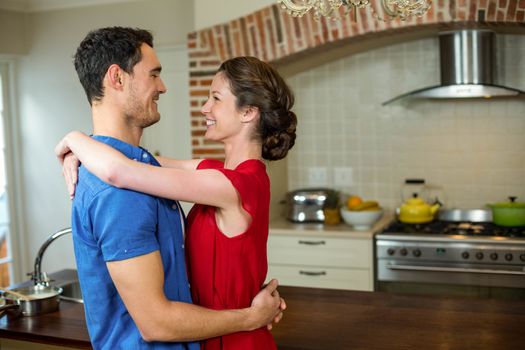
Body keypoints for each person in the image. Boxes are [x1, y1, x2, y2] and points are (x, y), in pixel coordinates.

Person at [57, 27, 285, 350]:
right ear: (117, 78)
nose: (163, 87)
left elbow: (123, 169)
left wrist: (74, 141)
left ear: (249, 113)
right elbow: (133, 167)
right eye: (154, 75)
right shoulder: (126, 189)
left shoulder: (232, 183)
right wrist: (250, 314)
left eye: (215, 99)